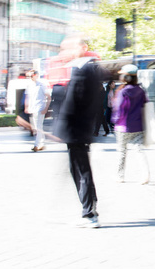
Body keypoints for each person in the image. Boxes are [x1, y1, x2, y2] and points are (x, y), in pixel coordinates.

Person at [53, 33, 108, 228]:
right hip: (80, 129)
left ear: (82, 47)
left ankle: (89, 213)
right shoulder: (90, 69)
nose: (64, 52)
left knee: (80, 171)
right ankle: (90, 208)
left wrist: (60, 129)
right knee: (80, 170)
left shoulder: (82, 69)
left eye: (68, 48)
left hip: (76, 130)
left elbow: (72, 103)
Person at [111, 64, 150, 185]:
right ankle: (145, 175)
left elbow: (119, 109)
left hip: (122, 127)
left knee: (122, 152)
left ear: (126, 77)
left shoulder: (123, 91)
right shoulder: (141, 91)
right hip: (137, 126)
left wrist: (114, 120)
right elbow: (145, 105)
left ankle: (120, 176)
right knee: (139, 151)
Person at [24, 69, 51, 152]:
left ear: (36, 75)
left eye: (31, 75)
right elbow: (27, 97)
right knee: (36, 127)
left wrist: (46, 108)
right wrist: (27, 107)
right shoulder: (29, 85)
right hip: (33, 108)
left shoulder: (42, 85)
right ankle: (42, 143)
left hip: (40, 108)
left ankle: (36, 145)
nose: (30, 77)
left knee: (38, 127)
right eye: (29, 76)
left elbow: (49, 97)